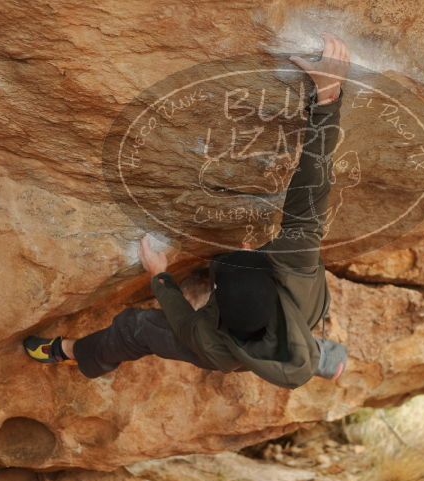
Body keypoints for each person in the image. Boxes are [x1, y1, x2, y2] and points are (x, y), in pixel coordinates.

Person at [24, 33, 350, 389]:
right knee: (295, 320)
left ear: (215, 309)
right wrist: (327, 99)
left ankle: (70, 353)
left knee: (136, 329)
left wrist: (160, 277)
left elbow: (181, 320)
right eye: (249, 255)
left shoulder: (210, 344)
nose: (244, 247)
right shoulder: (297, 264)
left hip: (240, 343)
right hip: (302, 308)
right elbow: (311, 186)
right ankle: (307, 352)